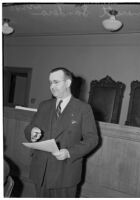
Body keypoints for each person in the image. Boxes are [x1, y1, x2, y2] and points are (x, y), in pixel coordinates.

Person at [24, 67, 98, 197]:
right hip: (41, 171)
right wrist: (32, 132)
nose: (52, 86)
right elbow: (29, 127)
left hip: (65, 173)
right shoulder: (44, 105)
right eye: (50, 82)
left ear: (68, 83)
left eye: (56, 82)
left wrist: (69, 152)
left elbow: (92, 139)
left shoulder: (83, 109)